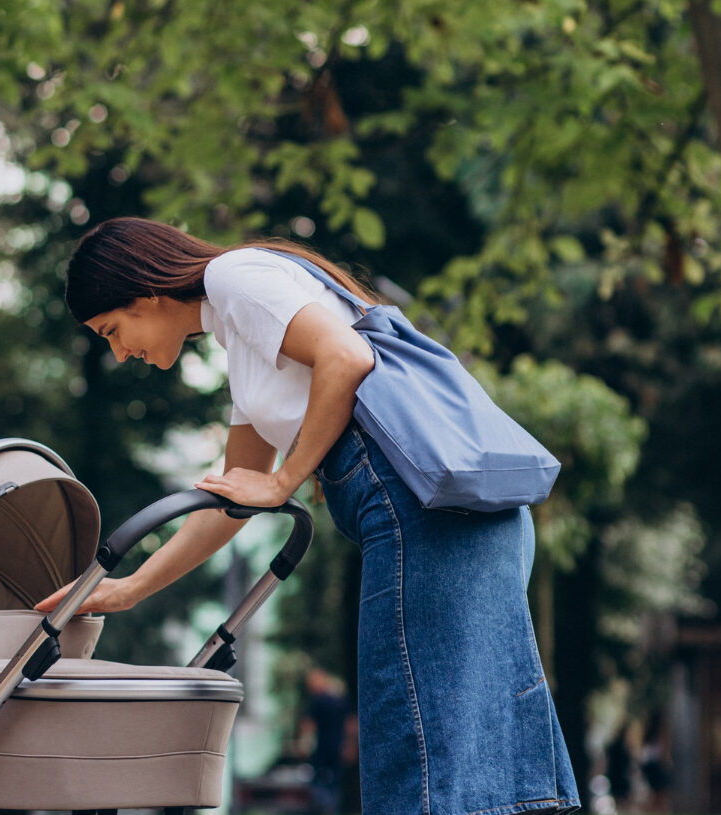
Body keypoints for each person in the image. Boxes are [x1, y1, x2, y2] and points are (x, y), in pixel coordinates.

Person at [36, 216, 581, 815]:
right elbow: (230, 504)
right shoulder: (242, 340)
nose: (119, 352)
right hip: (453, 516)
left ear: (147, 293)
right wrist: (131, 587)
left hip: (424, 518)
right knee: (475, 732)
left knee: (417, 730)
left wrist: (285, 479)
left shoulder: (234, 278)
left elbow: (345, 357)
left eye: (113, 330)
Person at [302, 668, 349, 814]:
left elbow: (308, 726)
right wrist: (350, 744)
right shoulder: (340, 700)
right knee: (335, 784)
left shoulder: (317, 701)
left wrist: (303, 745)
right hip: (339, 747)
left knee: (319, 784)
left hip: (322, 749)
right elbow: (350, 724)